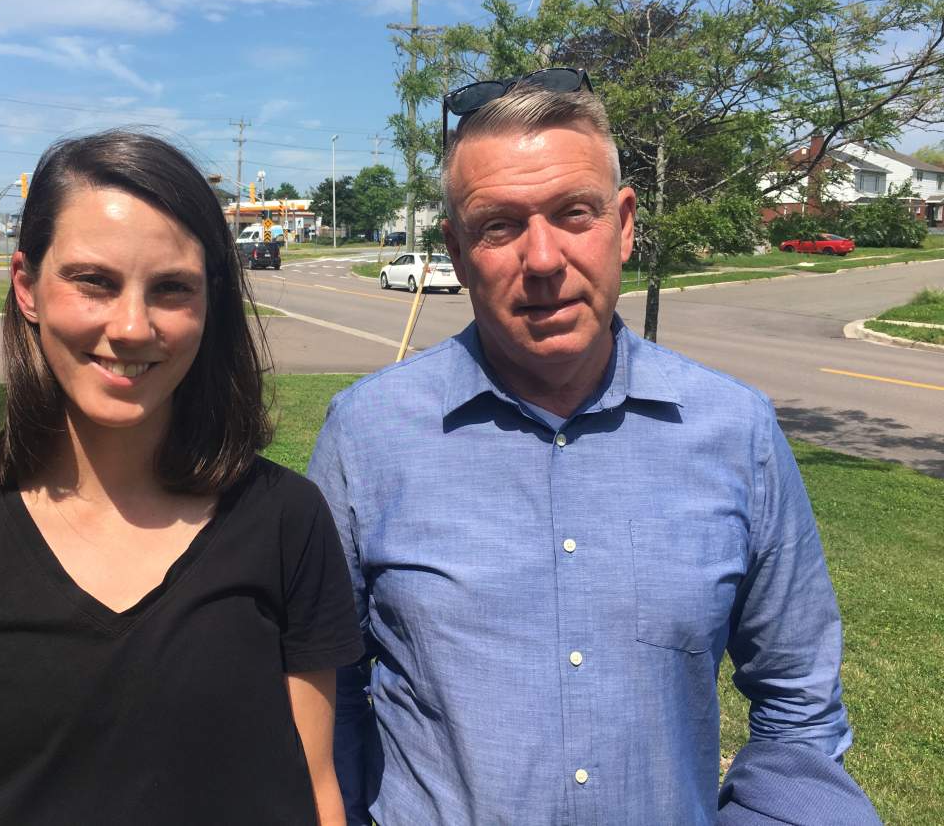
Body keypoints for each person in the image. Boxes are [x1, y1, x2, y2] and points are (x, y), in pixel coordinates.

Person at [307, 71, 879, 825]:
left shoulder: (735, 431)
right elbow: (324, 700)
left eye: (574, 214)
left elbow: (798, 703)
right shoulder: (368, 434)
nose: (543, 259)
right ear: (455, 247)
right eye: (500, 226)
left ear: (624, 223)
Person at [0, 131, 363, 824]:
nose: (131, 327)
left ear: (210, 304)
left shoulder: (286, 520)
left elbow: (316, 789)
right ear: (27, 286)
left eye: (172, 289)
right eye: (94, 281)